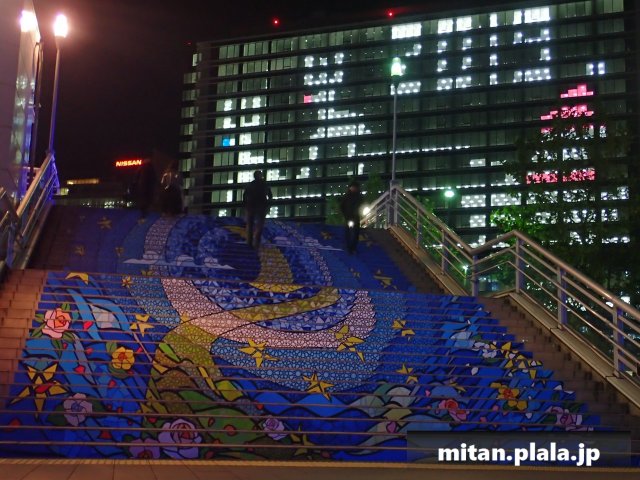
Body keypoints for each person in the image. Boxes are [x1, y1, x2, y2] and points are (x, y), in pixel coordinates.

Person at [243, 170, 272, 248]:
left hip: (252, 206)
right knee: (259, 225)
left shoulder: (250, 185)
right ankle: (256, 242)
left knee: (251, 225)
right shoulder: (264, 184)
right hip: (260, 206)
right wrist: (268, 206)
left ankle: (250, 242)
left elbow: (245, 196)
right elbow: (270, 195)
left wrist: (246, 205)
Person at [340, 180, 364, 254]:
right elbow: (342, 206)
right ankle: (348, 247)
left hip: (356, 217)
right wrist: (345, 215)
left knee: (356, 233)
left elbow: (362, 205)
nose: (353, 189)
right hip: (348, 217)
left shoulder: (359, 197)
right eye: (352, 187)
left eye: (355, 187)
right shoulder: (346, 196)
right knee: (348, 232)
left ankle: (353, 248)